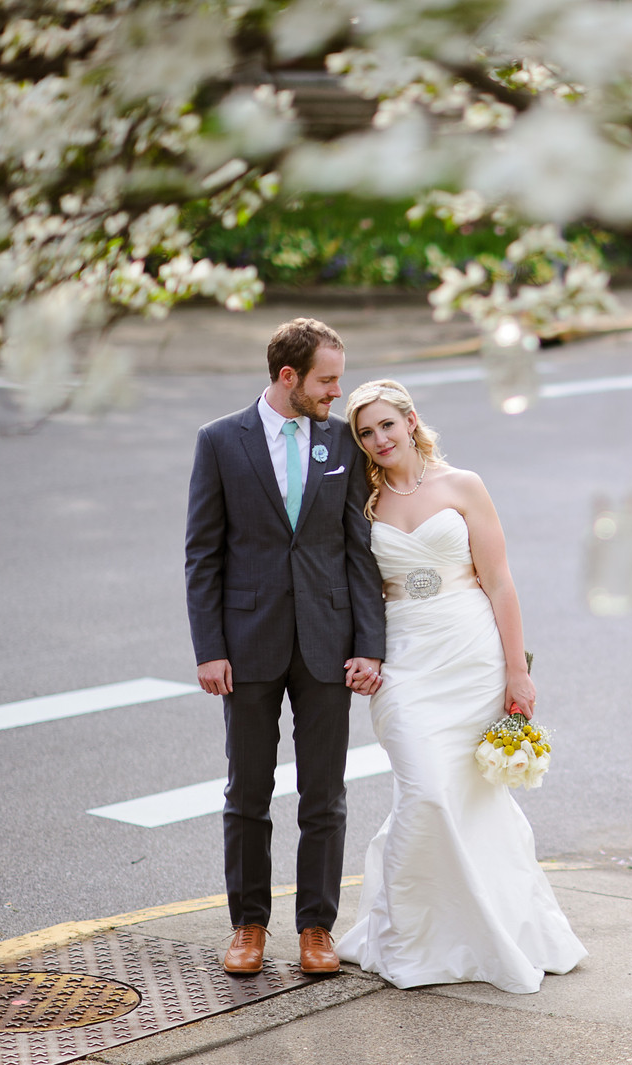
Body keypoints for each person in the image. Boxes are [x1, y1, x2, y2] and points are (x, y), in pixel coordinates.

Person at [335, 379, 586, 994]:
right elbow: (347, 587)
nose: (378, 440)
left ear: (411, 420)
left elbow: (499, 582)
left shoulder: (463, 486)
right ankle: (410, 939)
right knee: (424, 792)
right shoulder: (358, 500)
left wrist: (516, 671)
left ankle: (492, 929)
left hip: (471, 652)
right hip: (405, 661)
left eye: (387, 425)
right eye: (366, 433)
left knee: (471, 798)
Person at [184, 318, 387, 976]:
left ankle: (315, 928)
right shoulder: (219, 441)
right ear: (288, 376)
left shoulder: (342, 442)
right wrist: (210, 646)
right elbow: (203, 553)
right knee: (247, 791)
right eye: (327, 379)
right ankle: (247, 925)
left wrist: (370, 645)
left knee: (324, 794)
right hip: (247, 644)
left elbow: (359, 550)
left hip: (329, 642)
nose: (339, 391)